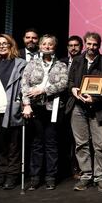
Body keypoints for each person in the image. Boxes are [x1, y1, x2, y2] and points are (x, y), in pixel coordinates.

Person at [66, 31, 102, 192]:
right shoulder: (77, 60)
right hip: (78, 108)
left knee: (100, 144)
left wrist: (95, 99)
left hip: (98, 108)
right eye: (89, 44)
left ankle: (100, 177)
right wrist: (73, 89)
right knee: (81, 144)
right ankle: (86, 175)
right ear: (85, 44)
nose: (92, 47)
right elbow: (70, 80)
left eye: (95, 44)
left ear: (99, 45)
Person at [21, 34, 68, 190]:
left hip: (53, 109)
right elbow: (24, 85)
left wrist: (43, 90)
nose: (47, 46)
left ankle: (50, 176)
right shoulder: (31, 64)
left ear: (55, 47)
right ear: (40, 46)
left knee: (51, 144)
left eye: (51, 44)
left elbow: (63, 84)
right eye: (44, 44)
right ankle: (35, 177)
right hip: (35, 109)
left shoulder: (61, 65)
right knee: (36, 144)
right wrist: (26, 104)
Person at [0, 34, 27, 190]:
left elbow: (25, 87)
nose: (2, 46)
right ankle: (1, 175)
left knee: (13, 147)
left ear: (11, 45)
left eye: (5, 43)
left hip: (13, 111)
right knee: (0, 147)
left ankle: (12, 177)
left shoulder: (21, 64)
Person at [59, 35, 83, 179]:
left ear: (81, 47)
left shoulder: (85, 61)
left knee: (78, 139)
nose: (73, 48)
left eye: (76, 45)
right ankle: (64, 168)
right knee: (64, 138)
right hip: (62, 105)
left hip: (79, 103)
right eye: (71, 45)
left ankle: (77, 167)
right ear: (67, 48)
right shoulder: (61, 62)